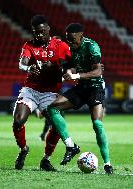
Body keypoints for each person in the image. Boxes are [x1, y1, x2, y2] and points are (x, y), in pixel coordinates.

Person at [47, 23, 113, 174]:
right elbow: (69, 66)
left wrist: (76, 75)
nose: (69, 42)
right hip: (81, 88)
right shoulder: (70, 48)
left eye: (72, 39)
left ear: (80, 36)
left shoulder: (92, 46)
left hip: (95, 88)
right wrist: (68, 72)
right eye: (67, 39)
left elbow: (97, 72)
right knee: (53, 108)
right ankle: (71, 146)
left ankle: (108, 164)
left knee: (97, 124)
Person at [12, 15, 71, 171]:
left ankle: (46, 159)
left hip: (50, 93)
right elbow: (22, 63)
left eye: (42, 31)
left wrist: (62, 69)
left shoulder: (60, 45)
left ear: (48, 29)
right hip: (31, 90)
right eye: (36, 32)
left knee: (58, 126)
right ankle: (23, 149)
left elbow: (71, 64)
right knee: (18, 121)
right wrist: (28, 68)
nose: (39, 35)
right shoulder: (29, 45)